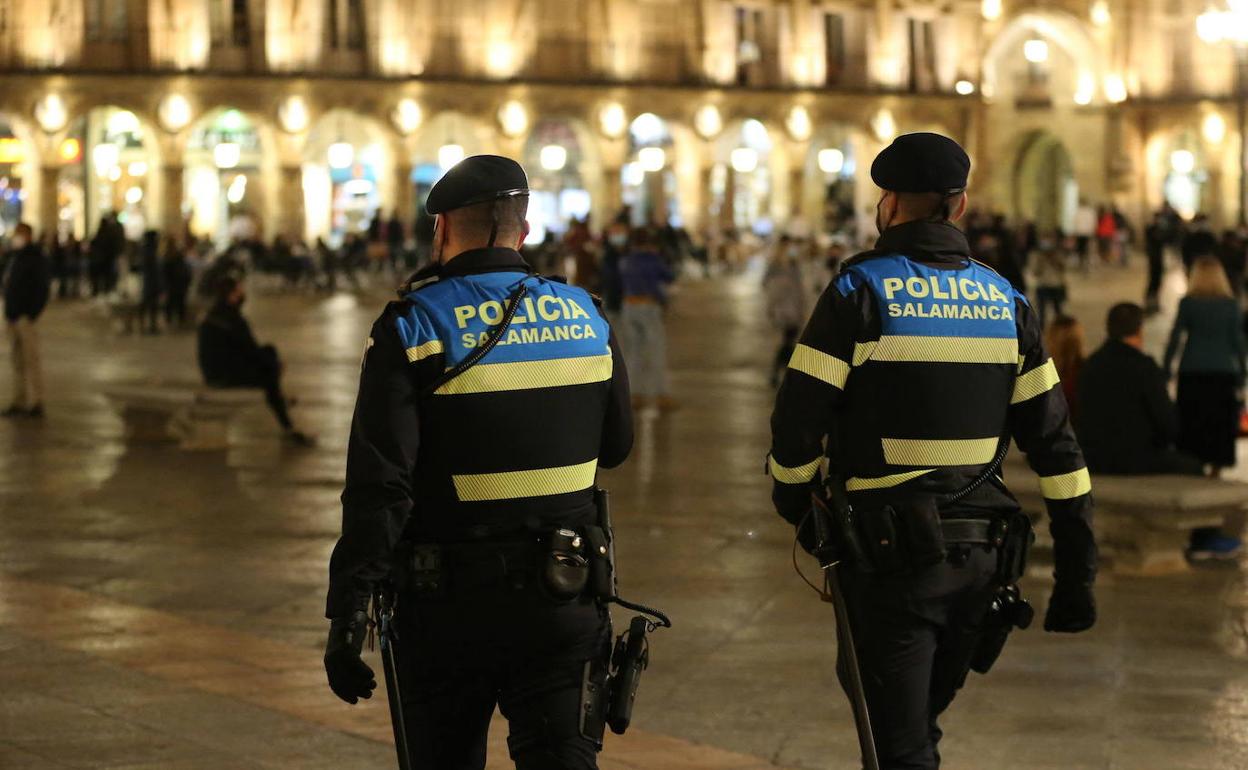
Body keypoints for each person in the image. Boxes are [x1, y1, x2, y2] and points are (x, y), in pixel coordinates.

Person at [769, 133, 1096, 770]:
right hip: (983, 558)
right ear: (961, 205)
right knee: (917, 729)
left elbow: (796, 424)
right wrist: (1076, 574)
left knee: (899, 744)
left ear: (888, 204)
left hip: (889, 558)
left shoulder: (856, 292)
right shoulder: (1007, 302)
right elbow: (1058, 449)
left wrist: (800, 509)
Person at [323, 155, 634, 770]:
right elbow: (617, 447)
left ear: (441, 231)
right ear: (524, 230)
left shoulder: (414, 324)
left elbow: (381, 485)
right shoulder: (588, 316)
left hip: (447, 608)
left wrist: (349, 609)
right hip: (563, 591)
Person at [1076, 303, 1202, 475]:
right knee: (1193, 467)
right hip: (1135, 458)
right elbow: (1167, 423)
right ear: (1139, 330)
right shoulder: (1144, 367)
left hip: (1094, 457)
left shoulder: (1091, 365)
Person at [196, 275, 313, 445]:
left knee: (268, 356)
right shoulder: (233, 319)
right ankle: (286, 421)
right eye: (239, 290)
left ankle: (280, 402)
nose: (243, 293)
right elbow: (250, 350)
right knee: (269, 373)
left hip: (214, 371)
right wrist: (275, 365)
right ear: (232, 294)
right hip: (224, 375)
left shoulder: (215, 314)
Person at [1163, 256, 1246, 477]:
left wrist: (1167, 366)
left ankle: (1194, 462)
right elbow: (1237, 341)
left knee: (1193, 418)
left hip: (1192, 367)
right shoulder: (1230, 306)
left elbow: (1175, 337)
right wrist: (1243, 371)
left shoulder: (1188, 303)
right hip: (1223, 370)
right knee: (1220, 421)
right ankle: (1217, 467)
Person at [619, 228, 677, 411]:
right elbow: (669, 277)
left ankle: (634, 395)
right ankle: (661, 395)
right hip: (649, 306)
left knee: (633, 352)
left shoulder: (626, 260)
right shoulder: (652, 260)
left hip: (629, 306)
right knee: (656, 351)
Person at [2, 223, 50, 418]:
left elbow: (42, 288)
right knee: (17, 360)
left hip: (25, 316)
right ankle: (19, 400)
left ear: (28, 236)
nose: (16, 238)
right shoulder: (14, 257)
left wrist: (32, 313)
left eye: (18, 234)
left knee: (31, 359)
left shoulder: (35, 258)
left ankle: (37, 401)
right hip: (12, 315)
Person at [763, 236, 809, 386]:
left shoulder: (794, 265)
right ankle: (785, 374)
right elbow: (767, 285)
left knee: (789, 341)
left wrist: (802, 307)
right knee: (788, 341)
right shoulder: (775, 266)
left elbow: (800, 288)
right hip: (782, 309)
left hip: (794, 308)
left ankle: (781, 374)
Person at [1031, 235, 1067, 324]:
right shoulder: (1039, 257)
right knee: (1042, 312)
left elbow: (1063, 268)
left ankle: (1060, 327)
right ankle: (1041, 329)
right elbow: (1035, 272)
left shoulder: (1058, 255)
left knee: (1057, 310)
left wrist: (1055, 260)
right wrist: (1041, 262)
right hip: (1044, 285)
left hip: (1055, 286)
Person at [162, 236, 192, 328]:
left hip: (174, 283)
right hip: (178, 283)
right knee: (178, 303)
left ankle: (172, 321)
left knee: (173, 303)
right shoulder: (176, 256)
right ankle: (178, 321)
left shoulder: (168, 256)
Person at [1144, 213, 1168, 313]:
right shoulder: (1151, 229)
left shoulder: (1160, 229)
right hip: (1154, 258)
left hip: (1158, 258)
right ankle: (1150, 303)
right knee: (1153, 281)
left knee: (1157, 282)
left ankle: (1155, 303)